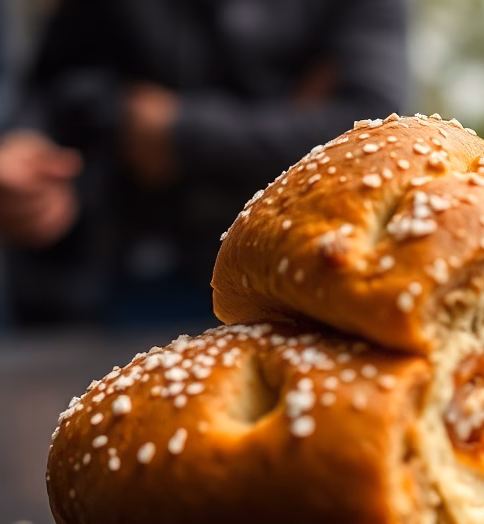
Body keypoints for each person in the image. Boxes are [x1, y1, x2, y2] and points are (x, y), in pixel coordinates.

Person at [0, 0, 408, 328]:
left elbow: (372, 129)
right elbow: (57, 87)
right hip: (131, 275)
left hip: (306, 276)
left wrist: (181, 134)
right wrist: (26, 142)